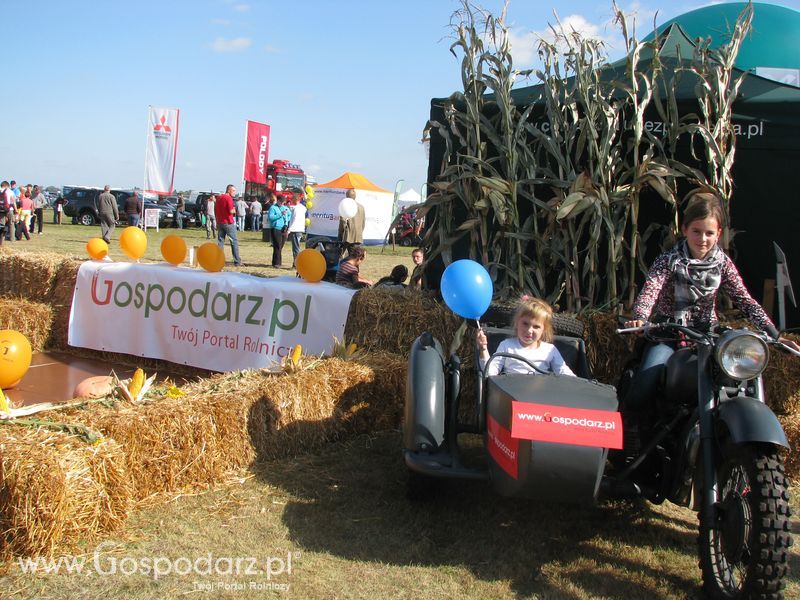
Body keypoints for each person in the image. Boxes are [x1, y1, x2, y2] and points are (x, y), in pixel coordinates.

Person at [623, 194, 799, 412]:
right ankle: (630, 434)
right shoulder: (668, 261)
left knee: (741, 374)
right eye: (696, 231)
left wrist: (775, 334)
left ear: (719, 234)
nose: (702, 239)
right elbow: (651, 290)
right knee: (646, 381)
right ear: (685, 229)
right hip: (668, 333)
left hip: (708, 335)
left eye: (709, 233)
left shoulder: (723, 264)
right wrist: (640, 317)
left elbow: (744, 300)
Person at [477, 296, 575, 377]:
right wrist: (483, 349)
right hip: (511, 393)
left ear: (543, 330)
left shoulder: (550, 350)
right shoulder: (507, 346)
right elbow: (489, 373)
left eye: (536, 327)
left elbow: (564, 373)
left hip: (540, 395)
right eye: (525, 324)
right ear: (516, 323)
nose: (529, 331)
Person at [214, 184, 242, 267]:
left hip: (220, 221)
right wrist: (234, 210)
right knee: (234, 241)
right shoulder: (228, 198)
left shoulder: (219, 197)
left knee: (220, 242)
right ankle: (237, 261)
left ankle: (219, 260)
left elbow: (216, 209)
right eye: (233, 191)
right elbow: (231, 211)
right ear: (229, 190)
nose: (234, 192)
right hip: (228, 222)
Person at [267, 194, 288, 268]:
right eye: (281, 202)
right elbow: (271, 217)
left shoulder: (284, 208)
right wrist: (280, 214)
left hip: (283, 229)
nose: (282, 203)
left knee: (280, 246)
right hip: (276, 228)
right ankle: (277, 263)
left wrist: (286, 223)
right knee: (277, 246)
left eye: (283, 202)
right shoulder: (273, 208)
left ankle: (275, 262)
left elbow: (289, 215)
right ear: (278, 201)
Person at [287, 198, 307, 268]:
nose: (291, 201)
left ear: (296, 200)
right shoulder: (303, 208)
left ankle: (296, 264)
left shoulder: (297, 209)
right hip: (300, 229)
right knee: (296, 247)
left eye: (292, 200)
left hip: (295, 229)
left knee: (296, 248)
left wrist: (289, 230)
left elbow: (294, 219)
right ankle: (296, 263)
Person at [0, 181, 14, 246]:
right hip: (9, 209)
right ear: (7, 186)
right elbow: (13, 201)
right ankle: (12, 238)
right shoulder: (10, 192)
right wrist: (16, 211)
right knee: (11, 224)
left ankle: (1, 239)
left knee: (1, 225)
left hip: (1, 210)